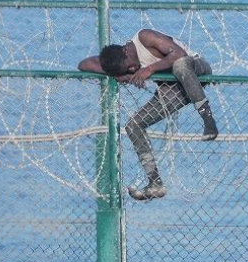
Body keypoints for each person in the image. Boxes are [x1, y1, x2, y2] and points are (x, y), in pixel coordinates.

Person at [78, 28, 218, 200]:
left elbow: (179, 54)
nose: (131, 69)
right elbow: (84, 64)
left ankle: (207, 118)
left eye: (130, 66)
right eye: (127, 70)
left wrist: (149, 69)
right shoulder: (123, 62)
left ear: (126, 50)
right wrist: (115, 73)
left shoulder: (145, 37)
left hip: (195, 69)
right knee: (133, 126)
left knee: (180, 64)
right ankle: (155, 182)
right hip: (172, 88)